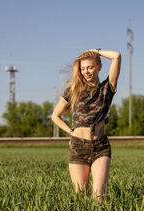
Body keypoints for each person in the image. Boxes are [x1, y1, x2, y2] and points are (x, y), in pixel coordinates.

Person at [52, 49, 121, 202]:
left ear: (99, 66)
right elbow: (55, 116)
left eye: (90, 67)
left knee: (99, 196)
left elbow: (116, 56)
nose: (86, 71)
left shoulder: (107, 88)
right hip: (78, 146)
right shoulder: (73, 90)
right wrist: (71, 132)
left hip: (100, 146)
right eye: (83, 68)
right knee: (80, 197)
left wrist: (95, 51)